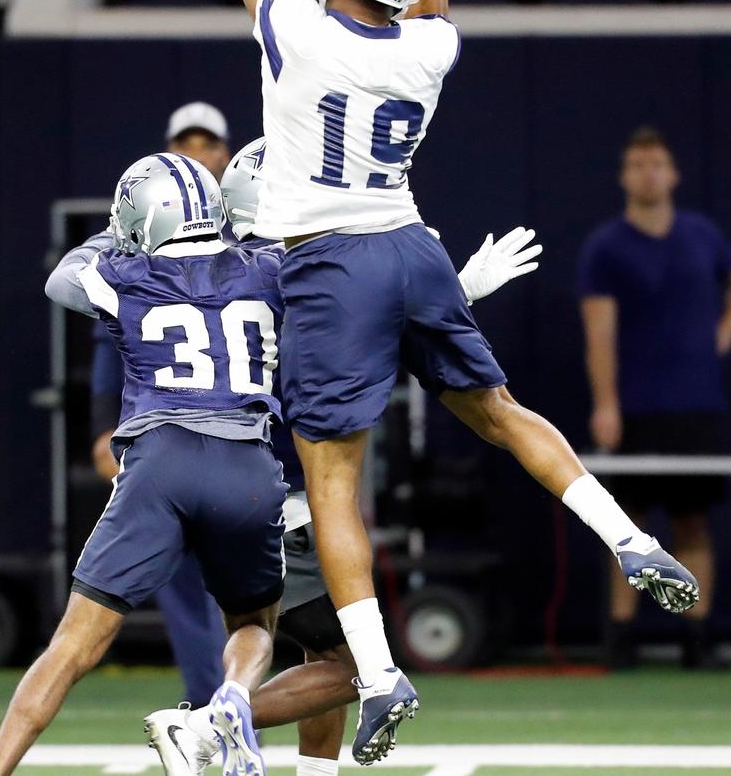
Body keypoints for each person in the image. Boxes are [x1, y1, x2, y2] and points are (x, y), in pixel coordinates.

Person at [236, 0, 699, 762]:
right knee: (499, 409)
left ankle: (378, 668)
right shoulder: (427, 53)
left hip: (332, 260)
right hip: (413, 246)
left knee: (332, 481)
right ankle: (627, 535)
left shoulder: (299, 34)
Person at [146, 137, 544, 776]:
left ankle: (302, 765)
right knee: (353, 667)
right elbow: (363, 344)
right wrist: (453, 290)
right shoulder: (293, 274)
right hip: (283, 502)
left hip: (228, 491)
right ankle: (197, 730)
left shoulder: (227, 275)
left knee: (318, 647)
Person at [0, 154, 286, 776]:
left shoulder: (124, 272)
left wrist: (123, 234)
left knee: (71, 646)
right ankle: (229, 702)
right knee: (254, 623)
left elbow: (62, 279)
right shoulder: (270, 268)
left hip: (163, 464)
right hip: (248, 469)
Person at [578, 126, 731, 669]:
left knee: (693, 523)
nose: (647, 173)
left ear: (672, 173)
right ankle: (622, 640)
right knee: (626, 526)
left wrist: (722, 334)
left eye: (656, 163)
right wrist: (606, 404)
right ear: (625, 176)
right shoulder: (606, 247)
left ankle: (695, 638)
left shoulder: (702, 235)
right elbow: (599, 334)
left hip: (697, 408)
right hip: (634, 409)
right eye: (637, 164)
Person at [88, 103, 233, 707]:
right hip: (167, 432)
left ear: (227, 156)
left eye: (208, 146)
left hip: (240, 431)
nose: (198, 157)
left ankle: (231, 707)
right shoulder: (139, 240)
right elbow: (108, 338)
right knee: (174, 584)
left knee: (249, 593)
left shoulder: (252, 226)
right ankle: (212, 708)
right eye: (186, 145)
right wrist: (105, 429)